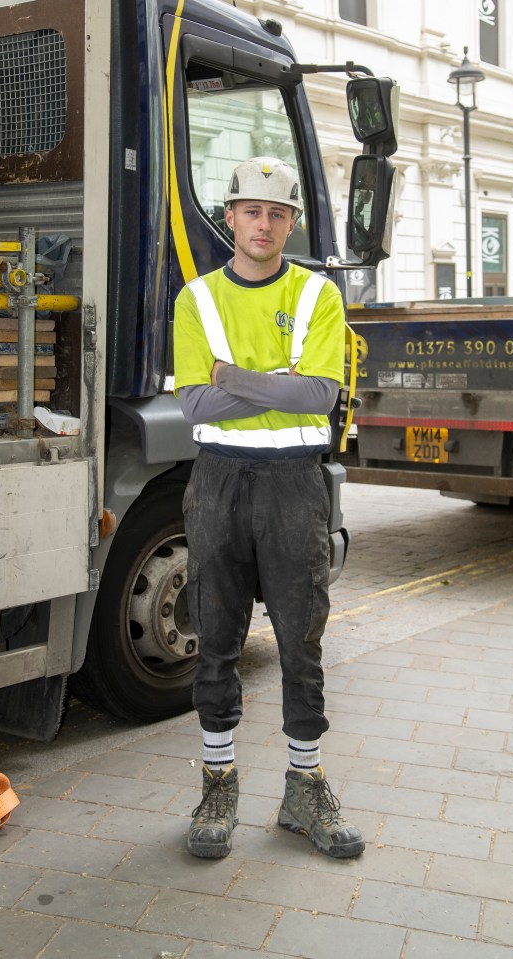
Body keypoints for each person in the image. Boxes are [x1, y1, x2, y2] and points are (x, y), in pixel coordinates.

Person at [173, 156, 364, 861]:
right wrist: (273, 381)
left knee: (300, 641)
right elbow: (195, 403)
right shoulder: (196, 298)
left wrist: (232, 377)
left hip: (293, 484)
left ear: (291, 222)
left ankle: (303, 787)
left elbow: (317, 396)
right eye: (250, 210)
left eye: (276, 212)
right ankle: (217, 783)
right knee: (215, 639)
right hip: (218, 481)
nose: (263, 223)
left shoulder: (317, 296)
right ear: (228, 217)